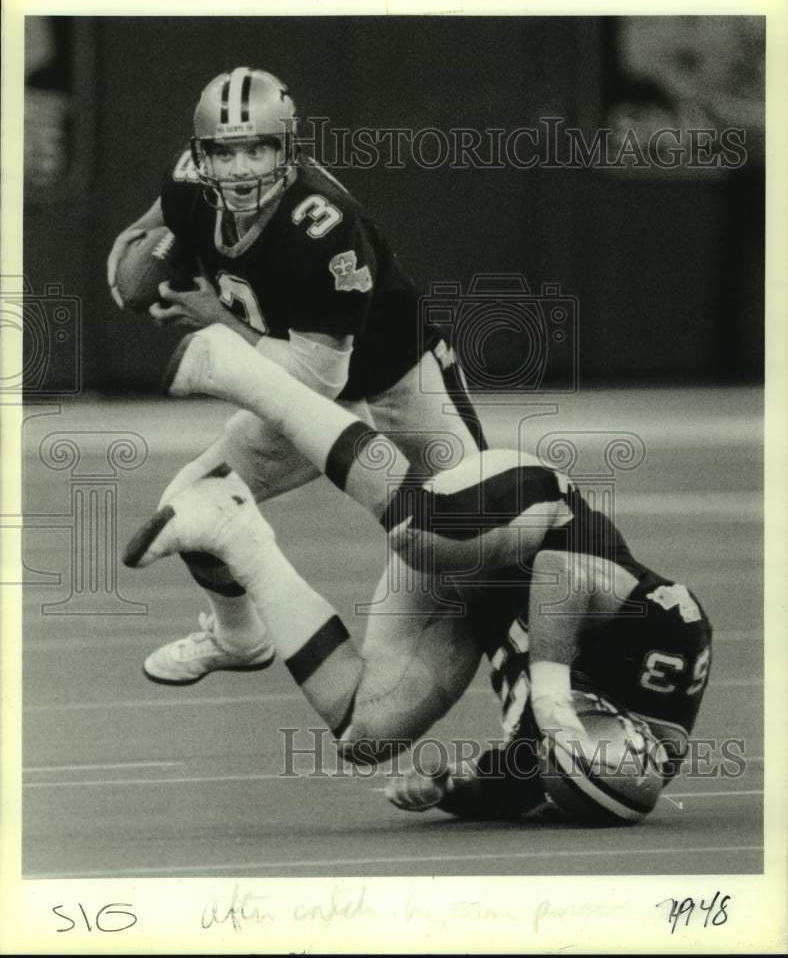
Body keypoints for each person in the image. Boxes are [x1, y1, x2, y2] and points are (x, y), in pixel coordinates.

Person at [123, 323, 713, 825]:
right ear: (626, 728)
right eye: (574, 736)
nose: (556, 742)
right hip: (533, 523)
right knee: (426, 535)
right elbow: (565, 573)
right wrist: (554, 689)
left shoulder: (550, 771)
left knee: (365, 732)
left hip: (465, 601)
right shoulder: (674, 651)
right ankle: (243, 370)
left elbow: (496, 789)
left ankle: (232, 528)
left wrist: (441, 788)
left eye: (554, 762)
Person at [106, 66, 486, 685]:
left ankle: (551, 681)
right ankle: (239, 637)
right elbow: (152, 224)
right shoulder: (188, 185)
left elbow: (315, 381)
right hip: (294, 374)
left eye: (258, 148)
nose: (240, 168)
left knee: (479, 531)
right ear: (200, 156)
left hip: (394, 377)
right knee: (188, 505)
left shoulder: (323, 223)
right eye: (223, 152)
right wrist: (131, 254)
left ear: (289, 148)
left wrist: (217, 319)